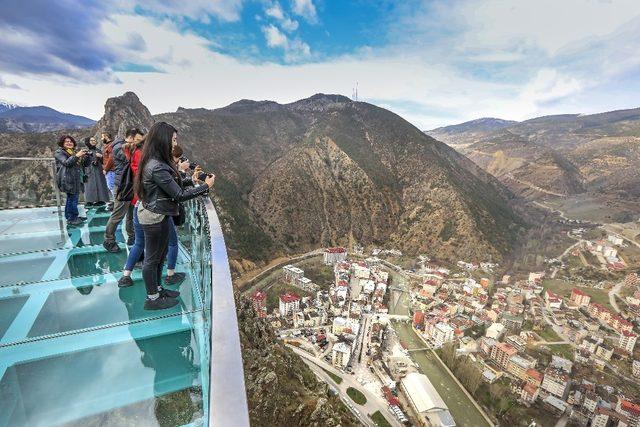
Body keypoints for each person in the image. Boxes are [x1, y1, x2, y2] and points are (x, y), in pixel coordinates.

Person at [135, 122, 214, 310]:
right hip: (153, 217)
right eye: (173, 140)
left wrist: (191, 180)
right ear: (163, 140)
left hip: (159, 214)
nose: (175, 143)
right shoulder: (157, 166)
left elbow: (170, 185)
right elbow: (178, 195)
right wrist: (206, 187)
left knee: (160, 256)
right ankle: (152, 298)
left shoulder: (157, 162)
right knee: (152, 259)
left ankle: (159, 289)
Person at [103, 128, 144, 252]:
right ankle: (108, 240)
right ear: (130, 138)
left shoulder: (125, 147)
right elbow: (132, 160)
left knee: (131, 214)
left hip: (131, 186)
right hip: (123, 187)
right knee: (117, 215)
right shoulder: (119, 148)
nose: (139, 143)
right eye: (137, 140)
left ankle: (132, 237)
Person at [54, 135, 88, 226]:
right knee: (72, 199)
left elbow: (83, 164)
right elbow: (67, 163)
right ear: (62, 143)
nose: (69, 143)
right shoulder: (59, 152)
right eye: (66, 142)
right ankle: (72, 218)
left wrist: (86, 157)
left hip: (75, 178)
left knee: (72, 198)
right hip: (68, 179)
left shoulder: (72, 152)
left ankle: (71, 216)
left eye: (71, 141)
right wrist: (77, 155)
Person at [82, 137, 111, 206]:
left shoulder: (99, 150)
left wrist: (101, 157)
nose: (93, 141)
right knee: (89, 186)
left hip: (98, 170)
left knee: (100, 184)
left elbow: (104, 161)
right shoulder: (85, 151)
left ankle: (101, 200)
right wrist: (85, 156)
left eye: (94, 140)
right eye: (91, 140)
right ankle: (89, 200)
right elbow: (82, 163)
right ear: (87, 141)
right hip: (89, 170)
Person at [101, 131, 116, 208]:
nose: (101, 139)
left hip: (111, 170)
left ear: (106, 137)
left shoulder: (110, 145)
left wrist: (106, 169)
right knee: (112, 187)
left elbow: (111, 158)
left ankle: (116, 204)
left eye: (102, 137)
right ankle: (114, 202)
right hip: (110, 170)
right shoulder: (108, 145)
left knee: (112, 187)